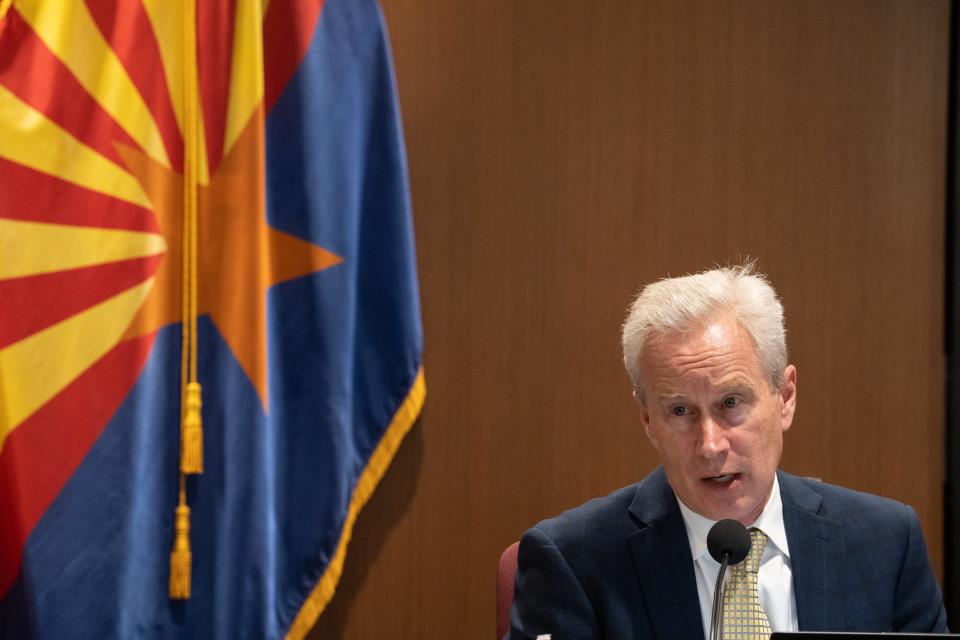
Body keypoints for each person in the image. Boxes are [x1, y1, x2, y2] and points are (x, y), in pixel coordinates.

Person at [507, 264, 947, 640]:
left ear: (785, 396)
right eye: (679, 411)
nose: (710, 445)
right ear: (648, 421)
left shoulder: (887, 543)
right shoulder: (574, 560)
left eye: (731, 404)